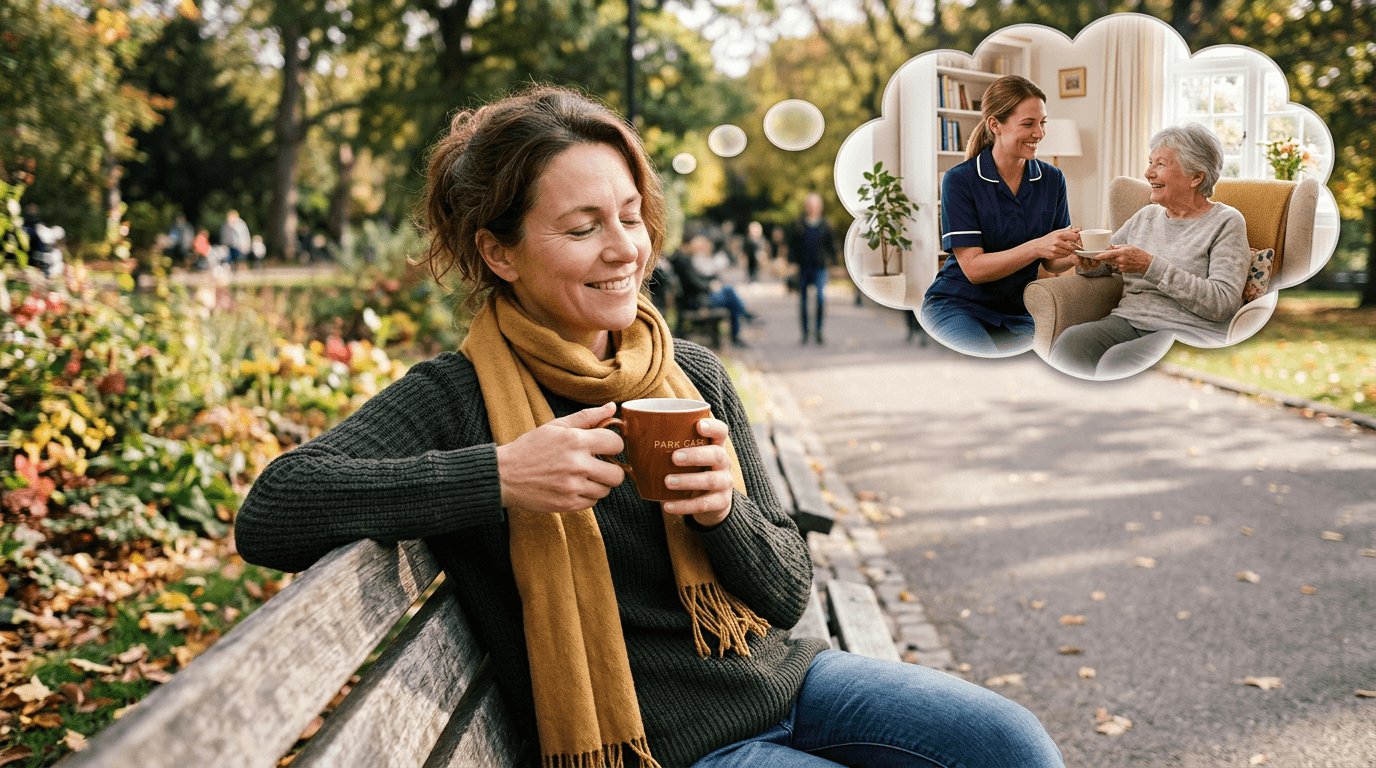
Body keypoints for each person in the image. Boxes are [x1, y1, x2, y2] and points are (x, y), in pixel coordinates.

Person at [234, 84, 1063, 768]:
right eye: (581, 227)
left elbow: (785, 594)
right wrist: (500, 476)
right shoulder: (458, 397)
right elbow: (272, 508)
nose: (623, 248)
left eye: (629, 216)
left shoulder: (687, 371)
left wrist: (721, 511)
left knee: (1015, 747)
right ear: (499, 253)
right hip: (667, 747)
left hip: (786, 682)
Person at [1049, 123, 1251, 378]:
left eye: (1160, 165)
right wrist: (1088, 261)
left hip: (1183, 332)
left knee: (1115, 362)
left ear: (1196, 177)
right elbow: (1110, 260)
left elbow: (1222, 303)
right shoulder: (1146, 216)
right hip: (1128, 321)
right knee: (1070, 343)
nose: (1147, 173)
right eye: (1150, 163)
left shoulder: (1226, 222)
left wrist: (1149, 265)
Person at [920, 75, 1081, 355]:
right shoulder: (960, 181)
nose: (1039, 133)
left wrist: (1080, 257)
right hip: (959, 305)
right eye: (1028, 124)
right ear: (995, 125)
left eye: (1042, 123)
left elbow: (1052, 261)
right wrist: (1037, 246)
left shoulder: (1053, 179)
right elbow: (973, 268)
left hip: (1018, 313)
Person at [672, 234, 757, 348]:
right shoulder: (683, 260)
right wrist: (710, 286)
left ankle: (742, 320)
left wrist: (711, 282)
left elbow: (696, 278)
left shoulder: (682, 258)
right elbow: (694, 282)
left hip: (696, 298)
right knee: (729, 294)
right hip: (697, 301)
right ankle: (742, 321)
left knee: (729, 295)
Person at [786, 193, 836, 344]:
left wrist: (833, 263)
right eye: (811, 205)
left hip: (820, 268)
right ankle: (805, 333)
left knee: (820, 298)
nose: (813, 208)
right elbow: (792, 246)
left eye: (816, 205)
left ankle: (819, 332)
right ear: (806, 207)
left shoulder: (826, 226)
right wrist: (792, 263)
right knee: (803, 302)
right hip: (803, 268)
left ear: (820, 207)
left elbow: (831, 247)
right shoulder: (798, 224)